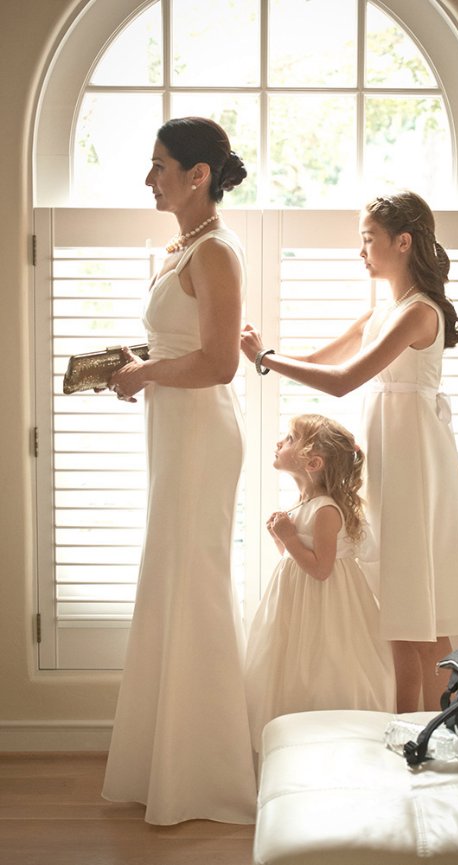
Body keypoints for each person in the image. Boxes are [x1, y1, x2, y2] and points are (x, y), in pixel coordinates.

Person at [241, 191, 458, 713]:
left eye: (368, 239)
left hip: (413, 461)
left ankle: (428, 725)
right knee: (400, 599)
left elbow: (345, 380)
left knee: (418, 603)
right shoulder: (383, 310)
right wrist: (266, 356)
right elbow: (322, 359)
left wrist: (266, 358)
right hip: (388, 455)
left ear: (402, 241)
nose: (361, 251)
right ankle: (412, 724)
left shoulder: (418, 312)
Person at [101, 117, 257, 825]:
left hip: (200, 433)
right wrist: (132, 368)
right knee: (169, 580)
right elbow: (179, 343)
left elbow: (222, 362)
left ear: (199, 175)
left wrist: (147, 373)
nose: (149, 177)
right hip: (172, 427)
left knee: (193, 584)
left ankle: (208, 775)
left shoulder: (217, 252)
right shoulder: (179, 248)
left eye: (160, 164)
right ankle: (164, 762)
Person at [245, 414, 395, 752]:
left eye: (289, 438)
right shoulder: (303, 504)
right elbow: (296, 557)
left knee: (323, 666)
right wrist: (281, 538)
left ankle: (332, 742)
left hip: (325, 602)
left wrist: (289, 537)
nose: (279, 442)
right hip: (299, 601)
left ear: (312, 462)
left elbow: (321, 569)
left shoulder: (325, 509)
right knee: (291, 666)